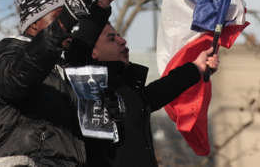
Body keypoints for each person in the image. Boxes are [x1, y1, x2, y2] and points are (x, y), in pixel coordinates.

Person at [0, 0, 134, 167]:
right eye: (60, 17)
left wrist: (103, 3)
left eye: (70, 20)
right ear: (34, 25)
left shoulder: (62, 68)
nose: (69, 25)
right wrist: (64, 22)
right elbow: (18, 78)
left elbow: (82, 43)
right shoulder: (8, 53)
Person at [74, 22, 219, 167]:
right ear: (93, 52)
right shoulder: (81, 96)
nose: (122, 41)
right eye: (111, 39)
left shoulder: (129, 92)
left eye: (119, 35)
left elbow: (160, 91)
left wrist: (196, 68)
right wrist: (102, 4)